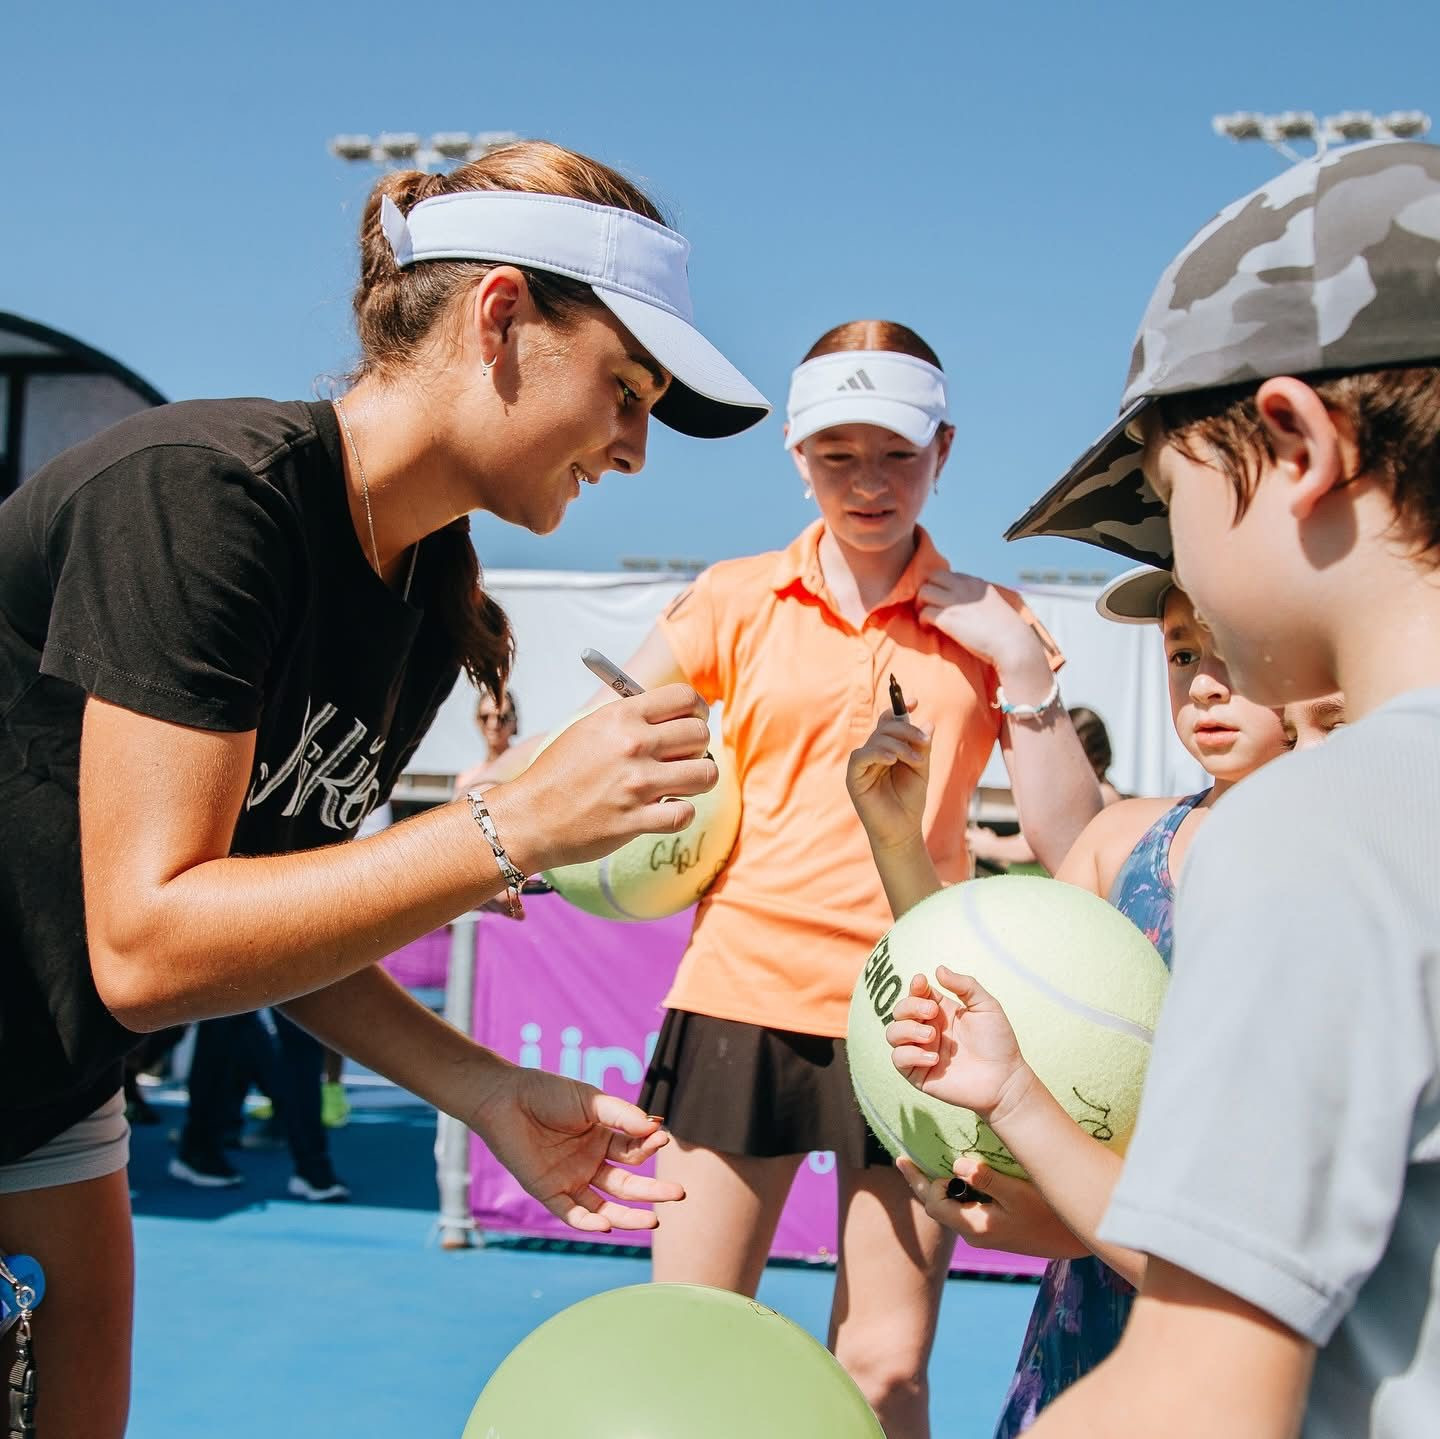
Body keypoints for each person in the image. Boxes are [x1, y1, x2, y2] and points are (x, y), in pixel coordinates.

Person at [0, 139, 770, 1437]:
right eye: (624, 390)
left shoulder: (424, 611)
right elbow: (145, 940)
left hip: (50, 1104)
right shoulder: (206, 497)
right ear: (504, 316)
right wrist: (506, 828)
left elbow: (261, 927)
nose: (635, 450)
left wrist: (479, 1087)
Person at [589, 319, 1101, 1436]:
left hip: (916, 1015)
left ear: (945, 450)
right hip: (740, 995)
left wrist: (1015, 661)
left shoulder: (997, 623)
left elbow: (1076, 839)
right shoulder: (732, 597)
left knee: (881, 1370)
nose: (868, 483)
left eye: (897, 454)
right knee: (689, 1339)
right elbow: (597, 747)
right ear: (794, 453)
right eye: (837, 455)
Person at [1003, 139, 1440, 1437]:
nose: (1177, 553)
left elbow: (1200, 1394)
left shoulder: (1321, 829)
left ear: (1297, 441)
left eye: (1171, 491)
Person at [852, 565, 1338, 1433]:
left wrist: (1063, 1216)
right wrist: (899, 841)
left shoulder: (1343, 874)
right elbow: (987, 996)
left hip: (1241, 1354)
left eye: (1233, 648)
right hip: (1090, 1327)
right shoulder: (1124, 841)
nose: (1206, 684)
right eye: (1184, 651)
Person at [967, 706, 1122, 871]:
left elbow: (1044, 844)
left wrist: (990, 846)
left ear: (1092, 756)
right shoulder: (1087, 795)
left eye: (1068, 752)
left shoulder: (1104, 796)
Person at [455, 689, 521, 793]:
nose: (493, 725)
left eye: (502, 718)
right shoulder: (467, 780)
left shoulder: (526, 771)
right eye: (485, 717)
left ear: (514, 722)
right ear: (477, 721)